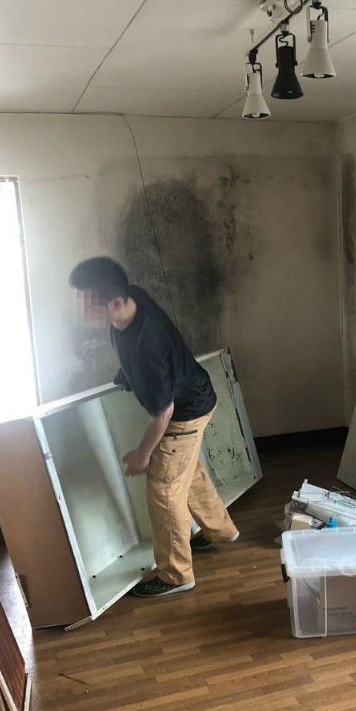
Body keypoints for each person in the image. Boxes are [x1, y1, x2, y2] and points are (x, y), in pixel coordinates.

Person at [68, 256, 238, 598]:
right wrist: (126, 374)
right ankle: (221, 531)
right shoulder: (133, 298)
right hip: (198, 395)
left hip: (183, 414)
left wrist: (143, 454)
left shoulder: (147, 345)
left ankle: (176, 574)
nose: (81, 310)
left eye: (87, 303)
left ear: (116, 302)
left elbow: (163, 413)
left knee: (163, 487)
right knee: (185, 472)